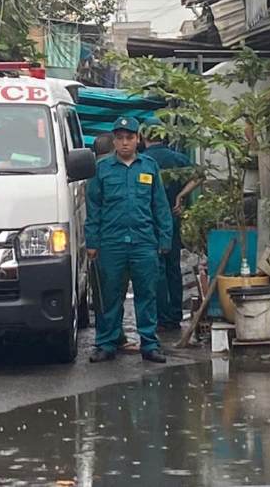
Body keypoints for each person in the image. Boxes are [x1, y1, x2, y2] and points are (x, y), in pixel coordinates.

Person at [85, 116, 173, 364]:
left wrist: (164, 238)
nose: (125, 143)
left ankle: (150, 344)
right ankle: (106, 343)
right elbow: (94, 209)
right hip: (111, 243)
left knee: (147, 295)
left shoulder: (149, 167)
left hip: (144, 242)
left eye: (129, 138)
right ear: (114, 141)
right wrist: (92, 243)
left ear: (138, 139)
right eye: (120, 138)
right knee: (110, 296)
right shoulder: (102, 169)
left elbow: (160, 205)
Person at [141, 120, 203, 332]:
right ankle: (175, 314)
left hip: (148, 220)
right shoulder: (177, 158)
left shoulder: (143, 161)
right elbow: (199, 174)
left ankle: (162, 316)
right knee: (173, 266)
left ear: (143, 138)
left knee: (155, 268)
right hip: (172, 217)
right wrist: (180, 196)